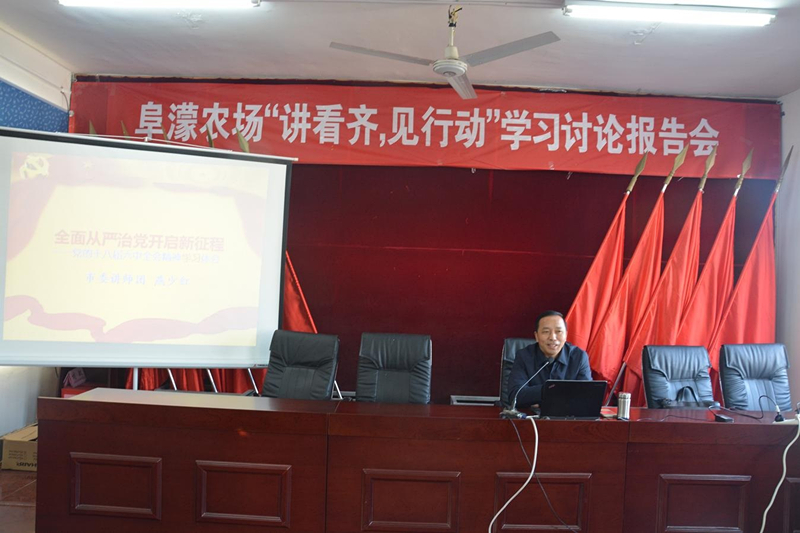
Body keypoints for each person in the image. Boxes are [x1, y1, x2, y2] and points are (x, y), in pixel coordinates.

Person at [506, 310, 592, 409]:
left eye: (558, 331)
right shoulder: (524, 356)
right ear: (536, 336)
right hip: (533, 416)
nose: (552, 337)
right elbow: (515, 395)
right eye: (546, 332)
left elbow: (587, 396)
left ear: (566, 335)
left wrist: (540, 400)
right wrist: (558, 390)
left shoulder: (579, 357)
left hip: (568, 416)